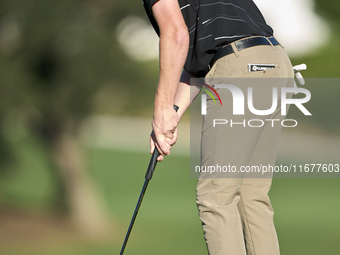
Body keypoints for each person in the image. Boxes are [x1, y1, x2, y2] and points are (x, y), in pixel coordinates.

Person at [142, 0, 294, 254]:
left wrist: (161, 109)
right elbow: (201, 61)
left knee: (216, 196)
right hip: (275, 61)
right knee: (251, 196)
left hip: (240, 68)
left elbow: (177, 36)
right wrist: (172, 115)